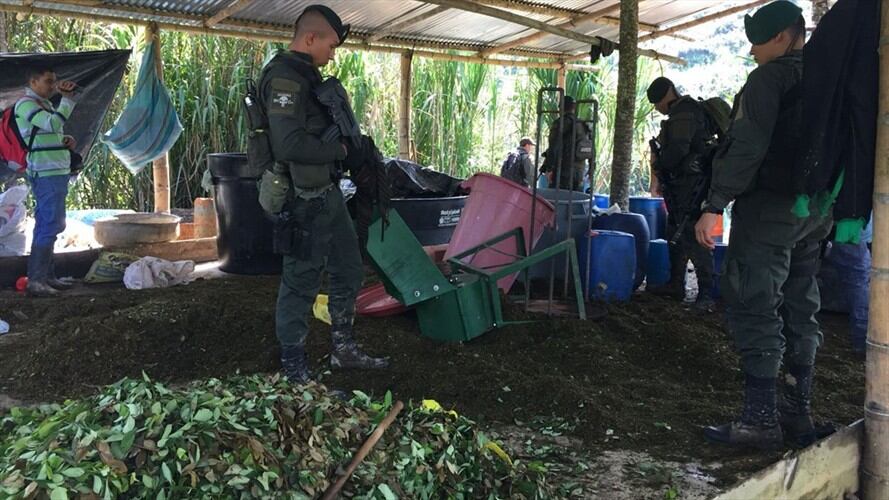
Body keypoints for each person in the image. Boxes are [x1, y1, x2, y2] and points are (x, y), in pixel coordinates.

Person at [694, 1, 832, 450]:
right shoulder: (831, 74)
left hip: (769, 210)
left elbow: (748, 147)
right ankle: (799, 414)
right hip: (814, 211)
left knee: (754, 301)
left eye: (756, 40)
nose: (751, 50)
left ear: (780, 37)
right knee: (801, 304)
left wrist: (715, 204)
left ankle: (759, 421)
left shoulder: (768, 79)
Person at [258, 5, 388, 383]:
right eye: (331, 44)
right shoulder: (285, 78)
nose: (334, 52)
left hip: (325, 193)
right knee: (301, 280)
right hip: (301, 199)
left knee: (348, 267)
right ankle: (294, 364)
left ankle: (343, 348)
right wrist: (341, 151)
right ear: (309, 37)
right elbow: (288, 145)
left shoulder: (307, 76)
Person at [646, 77, 716, 312]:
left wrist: (661, 164)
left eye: (657, 104)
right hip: (682, 185)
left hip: (692, 186)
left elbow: (678, 150)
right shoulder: (681, 113)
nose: (658, 109)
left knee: (692, 235)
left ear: (666, 95)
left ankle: (707, 293)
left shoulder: (684, 112)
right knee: (674, 232)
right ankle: (676, 284)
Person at [16, 65, 82, 298]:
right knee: (49, 224)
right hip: (45, 173)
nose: (53, 86)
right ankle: (37, 280)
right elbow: (53, 124)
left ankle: (46, 277)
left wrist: (64, 141)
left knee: (50, 224)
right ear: (33, 82)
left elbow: (51, 131)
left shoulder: (44, 104)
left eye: (54, 81)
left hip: (55, 170)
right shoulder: (25, 104)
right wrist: (67, 100)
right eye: (48, 81)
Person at [541, 96, 588, 191]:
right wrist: (591, 169)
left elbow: (553, 147)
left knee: (556, 201)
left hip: (563, 172)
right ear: (573, 108)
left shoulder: (560, 123)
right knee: (574, 201)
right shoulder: (583, 125)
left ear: (560, 108)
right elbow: (590, 147)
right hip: (579, 172)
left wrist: (549, 168)